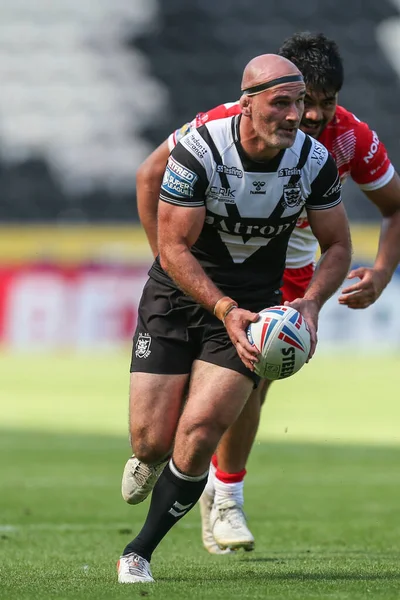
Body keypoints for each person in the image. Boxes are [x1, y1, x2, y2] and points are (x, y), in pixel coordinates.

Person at [121, 32, 400, 556]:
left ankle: (225, 493)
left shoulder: (349, 140)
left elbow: (392, 206)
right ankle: (175, 450)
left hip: (287, 269)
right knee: (163, 427)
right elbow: (150, 173)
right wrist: (167, 262)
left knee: (252, 382)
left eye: (323, 103)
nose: (308, 115)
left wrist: (382, 271)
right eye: (299, 100)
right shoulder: (220, 124)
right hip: (209, 256)